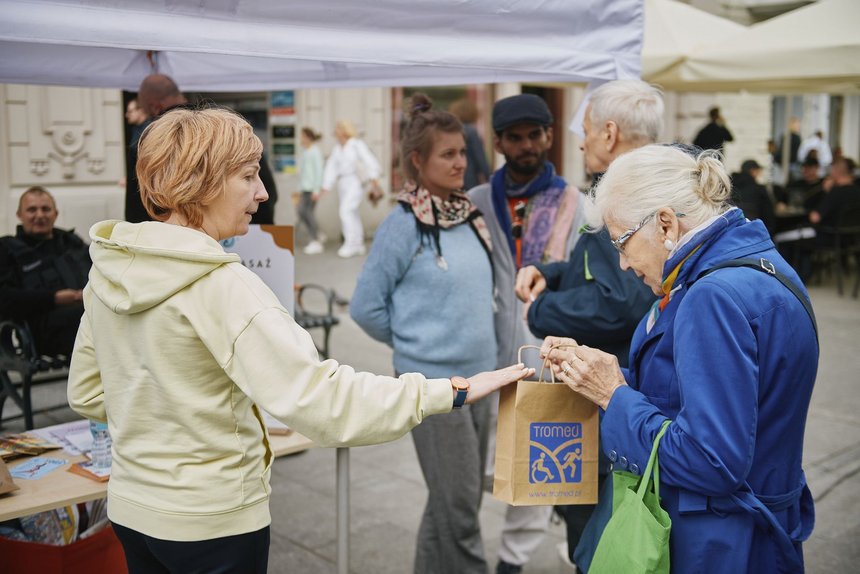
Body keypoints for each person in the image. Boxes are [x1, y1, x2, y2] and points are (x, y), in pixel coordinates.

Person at [67, 106, 532, 574]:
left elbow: (87, 392)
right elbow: (323, 401)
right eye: (248, 176)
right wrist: (451, 391)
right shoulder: (225, 286)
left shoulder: (112, 269)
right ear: (202, 182)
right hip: (210, 520)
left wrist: (166, 412)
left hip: (131, 510)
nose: (263, 192)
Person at [543, 144, 817, 573]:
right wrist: (597, 377)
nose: (623, 263)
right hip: (755, 531)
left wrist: (614, 396)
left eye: (621, 242)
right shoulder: (758, 263)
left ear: (666, 223)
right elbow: (704, 394)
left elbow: (710, 461)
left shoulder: (712, 296)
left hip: (719, 543)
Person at [512, 79, 662, 569]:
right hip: (630, 390)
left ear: (610, 133)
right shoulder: (660, 180)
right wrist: (553, 272)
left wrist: (540, 311)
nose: (581, 142)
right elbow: (602, 272)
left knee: (594, 530)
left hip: (611, 392)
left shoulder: (626, 193)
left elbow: (620, 300)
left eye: (587, 131)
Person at [351, 93, 497, 574]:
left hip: (482, 379)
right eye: (447, 154)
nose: (461, 162)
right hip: (435, 387)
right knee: (460, 509)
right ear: (417, 160)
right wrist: (416, 344)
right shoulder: (402, 225)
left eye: (463, 151)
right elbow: (365, 307)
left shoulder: (467, 215)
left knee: (452, 502)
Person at [468, 93, 587, 574]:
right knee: (486, 465)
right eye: (514, 138)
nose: (526, 146)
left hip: (548, 354)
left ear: (549, 136)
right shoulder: (476, 202)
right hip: (484, 352)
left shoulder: (576, 203)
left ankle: (512, 561)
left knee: (535, 457)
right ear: (498, 143)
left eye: (534, 135)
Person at [130, 74, 278, 225]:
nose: (262, 194)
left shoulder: (224, 131)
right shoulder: (222, 129)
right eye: (248, 176)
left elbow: (135, 213)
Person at [0, 186, 91, 357]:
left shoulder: (71, 242)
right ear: (19, 215)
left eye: (46, 209)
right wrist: (54, 298)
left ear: (55, 214)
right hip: (42, 330)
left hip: (88, 313)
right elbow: (5, 299)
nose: (40, 215)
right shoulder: (7, 248)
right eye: (32, 210)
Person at [321, 120, 382, 258]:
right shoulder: (337, 148)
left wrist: (374, 177)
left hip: (355, 181)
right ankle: (358, 244)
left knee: (345, 210)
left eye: (338, 128)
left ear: (344, 130)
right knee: (352, 212)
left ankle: (351, 244)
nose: (335, 130)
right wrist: (326, 185)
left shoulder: (356, 144)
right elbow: (331, 167)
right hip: (342, 182)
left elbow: (369, 160)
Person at [450, 97, 492, 190]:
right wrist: (490, 177)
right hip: (469, 178)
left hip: (454, 175)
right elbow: (480, 158)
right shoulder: (471, 131)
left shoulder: (453, 131)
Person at [297, 127, 325, 254]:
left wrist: (316, 190)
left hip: (312, 189)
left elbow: (319, 172)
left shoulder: (315, 152)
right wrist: (299, 189)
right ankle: (317, 234)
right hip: (305, 188)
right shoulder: (305, 151)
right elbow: (303, 173)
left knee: (306, 212)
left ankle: (315, 240)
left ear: (308, 137)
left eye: (303, 136)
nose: (301, 139)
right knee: (303, 212)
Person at [731, 159, 776, 234]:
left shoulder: (731, 188)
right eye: (758, 171)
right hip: (756, 232)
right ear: (753, 171)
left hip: (734, 232)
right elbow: (768, 214)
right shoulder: (759, 189)